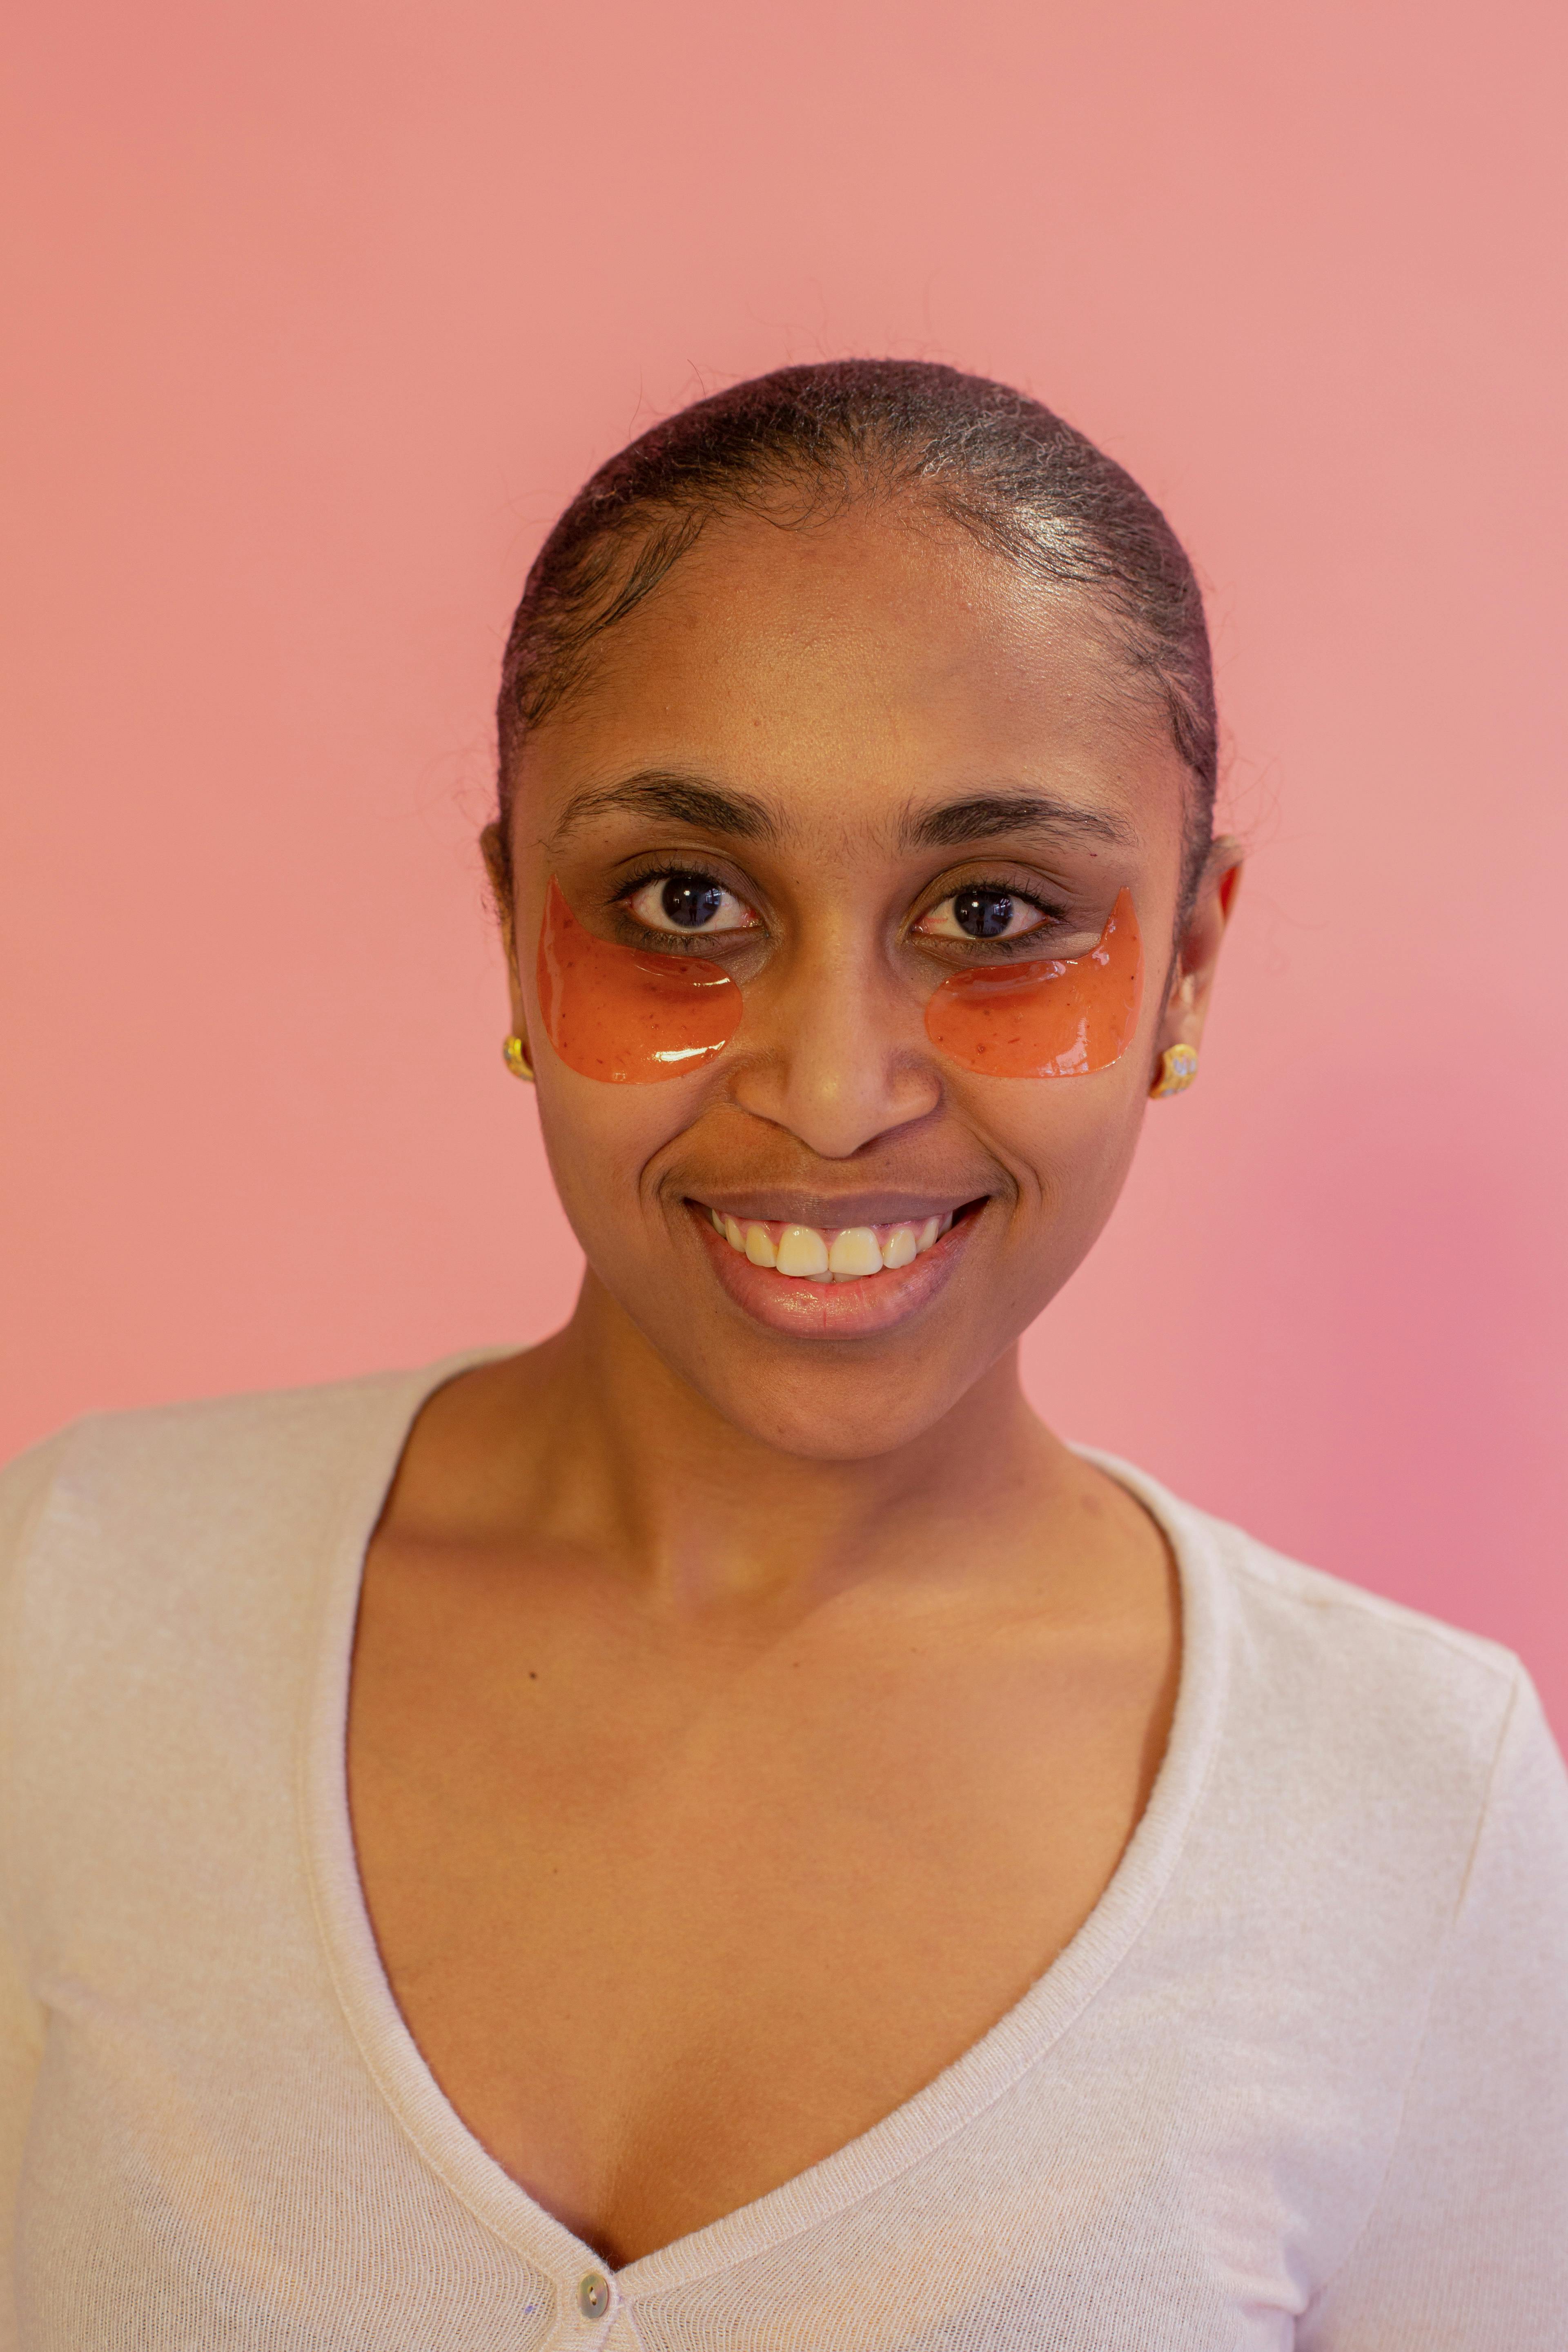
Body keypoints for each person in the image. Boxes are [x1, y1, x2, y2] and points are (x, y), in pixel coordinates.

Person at [1, 361, 1564, 2352]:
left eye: (997, 912)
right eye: (684, 902)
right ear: (512, 928)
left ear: (1190, 960)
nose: (831, 1092)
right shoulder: (64, 1606)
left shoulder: (1413, 1810)